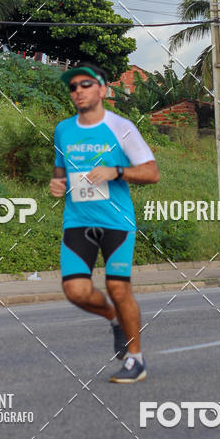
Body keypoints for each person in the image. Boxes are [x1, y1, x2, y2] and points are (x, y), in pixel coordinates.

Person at [49, 63, 159, 383]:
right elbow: (60, 171)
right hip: (77, 220)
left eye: (86, 84)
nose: (79, 91)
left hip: (116, 222)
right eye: (73, 87)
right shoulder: (63, 130)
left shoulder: (121, 128)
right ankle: (113, 319)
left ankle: (135, 359)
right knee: (75, 291)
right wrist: (57, 184)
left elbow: (151, 172)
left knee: (117, 287)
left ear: (102, 89)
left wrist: (116, 172)